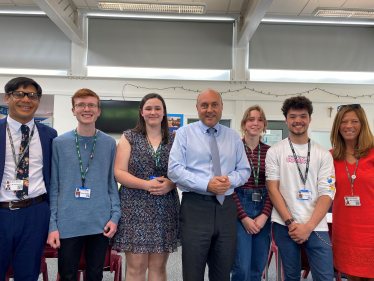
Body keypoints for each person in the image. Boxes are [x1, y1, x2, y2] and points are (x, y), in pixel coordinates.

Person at [168, 89, 251, 281]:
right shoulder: (183, 134)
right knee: (193, 272)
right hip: (195, 207)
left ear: (222, 107)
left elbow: (244, 170)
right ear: (197, 108)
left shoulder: (233, 137)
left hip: (226, 208)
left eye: (214, 104)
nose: (209, 109)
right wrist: (207, 184)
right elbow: (174, 169)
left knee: (222, 272)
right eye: (204, 105)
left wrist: (228, 181)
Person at [47, 89, 120, 281]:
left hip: (100, 222)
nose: (86, 109)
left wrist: (115, 216)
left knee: (95, 275)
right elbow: (54, 187)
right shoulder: (59, 143)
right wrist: (52, 225)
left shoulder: (109, 143)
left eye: (91, 105)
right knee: (67, 274)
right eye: (81, 105)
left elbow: (112, 185)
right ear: (73, 110)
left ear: (98, 111)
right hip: (68, 222)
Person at [111, 93, 180, 281]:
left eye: (157, 108)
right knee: (136, 267)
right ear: (141, 112)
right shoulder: (129, 137)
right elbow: (119, 172)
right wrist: (146, 184)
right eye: (148, 108)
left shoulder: (175, 139)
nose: (153, 112)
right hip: (134, 207)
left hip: (164, 207)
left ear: (164, 112)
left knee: (159, 267)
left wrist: (172, 184)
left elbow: (183, 172)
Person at [266, 96, 335, 281]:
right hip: (284, 225)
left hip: (316, 226)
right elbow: (273, 189)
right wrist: (291, 223)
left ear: (310, 119)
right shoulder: (275, 152)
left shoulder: (323, 154)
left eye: (303, 116)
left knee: (325, 277)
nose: (298, 121)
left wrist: (308, 227)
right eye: (293, 116)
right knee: (291, 276)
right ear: (286, 119)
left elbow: (327, 192)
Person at [0, 77, 57, 281]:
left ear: (38, 101)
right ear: (7, 98)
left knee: (28, 273)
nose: (26, 99)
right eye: (19, 94)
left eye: (32, 95)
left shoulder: (49, 135)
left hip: (35, 212)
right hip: (2, 211)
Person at [330, 104, 374, 280]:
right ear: (337, 127)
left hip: (371, 229)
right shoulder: (330, 157)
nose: (349, 126)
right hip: (346, 229)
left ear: (362, 124)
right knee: (352, 276)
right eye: (344, 121)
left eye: (354, 121)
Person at [231, 105, 272, 281]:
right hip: (240, 207)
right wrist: (243, 217)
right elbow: (229, 186)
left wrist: (264, 215)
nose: (255, 123)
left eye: (260, 119)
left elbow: (274, 188)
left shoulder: (271, 152)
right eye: (251, 119)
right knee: (241, 266)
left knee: (257, 266)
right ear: (244, 124)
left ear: (264, 124)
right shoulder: (234, 149)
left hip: (264, 208)